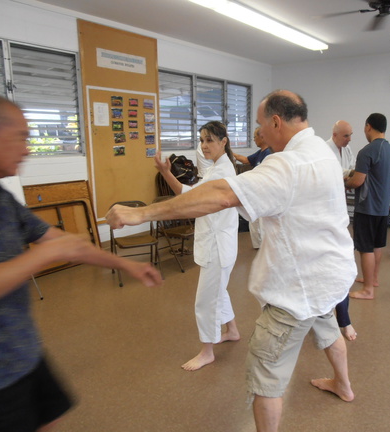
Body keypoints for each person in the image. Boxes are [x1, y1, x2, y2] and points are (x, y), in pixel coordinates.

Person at [106, 90, 357, 432]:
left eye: (259, 125)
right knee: (328, 329)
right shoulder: (323, 152)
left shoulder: (288, 163)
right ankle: (342, 384)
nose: (259, 133)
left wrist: (141, 214)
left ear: (276, 121)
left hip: (301, 288)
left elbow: (221, 195)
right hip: (330, 275)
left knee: (265, 374)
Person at [0, 91, 162, 432]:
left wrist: (125, 264)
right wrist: (42, 255)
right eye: (20, 137)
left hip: (24, 354)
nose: (26, 149)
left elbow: (64, 245)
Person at [154, 120, 240, 371]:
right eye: (201, 140)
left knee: (205, 299)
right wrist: (165, 172)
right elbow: (188, 192)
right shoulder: (216, 169)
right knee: (218, 290)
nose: (204, 145)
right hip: (215, 242)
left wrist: (165, 175)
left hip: (218, 245)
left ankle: (207, 351)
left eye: (209, 140)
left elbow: (188, 197)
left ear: (223, 142)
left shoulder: (223, 172)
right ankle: (232, 330)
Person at [345, 114, 390, 300]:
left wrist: (346, 183)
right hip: (383, 207)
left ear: (368, 127)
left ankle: (367, 290)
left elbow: (358, 180)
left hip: (367, 207)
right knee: (376, 245)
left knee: (365, 248)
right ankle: (373, 279)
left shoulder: (367, 151)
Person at [326, 120, 357, 340]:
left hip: (338, 216)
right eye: (346, 136)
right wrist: (345, 175)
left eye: (350, 135)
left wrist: (347, 175)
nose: (349, 139)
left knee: (341, 270)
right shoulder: (324, 151)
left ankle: (344, 320)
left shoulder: (347, 150)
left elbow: (352, 171)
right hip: (325, 216)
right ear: (335, 134)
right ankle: (335, 320)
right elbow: (337, 175)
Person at [234, 127, 272, 249]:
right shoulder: (260, 152)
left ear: (262, 137)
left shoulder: (270, 153)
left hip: (265, 192)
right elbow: (245, 160)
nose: (254, 139)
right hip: (256, 191)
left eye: (255, 137)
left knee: (262, 222)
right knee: (253, 221)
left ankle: (265, 247)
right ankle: (258, 246)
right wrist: (229, 152)